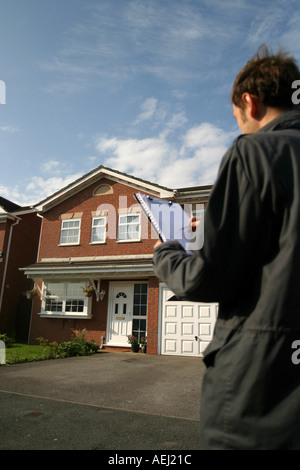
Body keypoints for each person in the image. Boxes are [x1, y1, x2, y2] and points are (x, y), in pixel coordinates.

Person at [152, 45, 300, 450]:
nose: (239, 124)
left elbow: (208, 279)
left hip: (263, 391)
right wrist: (220, 224)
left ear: (249, 103)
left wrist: (168, 250)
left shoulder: (253, 152)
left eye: (236, 116)